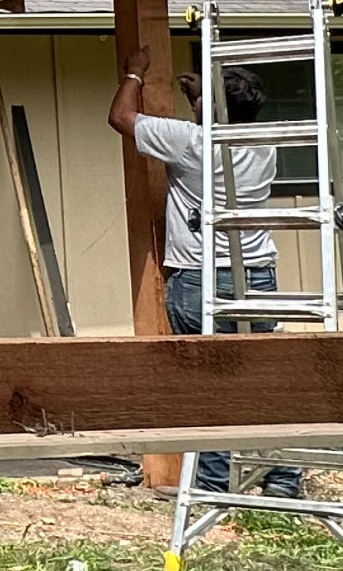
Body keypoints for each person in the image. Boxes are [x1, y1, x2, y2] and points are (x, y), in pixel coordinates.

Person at [107, 48, 301, 498]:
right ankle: (282, 478)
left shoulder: (189, 141)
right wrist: (206, 97)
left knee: (208, 382)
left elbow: (120, 117)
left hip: (200, 277)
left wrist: (135, 73)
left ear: (209, 110)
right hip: (257, 274)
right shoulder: (265, 142)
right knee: (261, 378)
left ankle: (214, 485)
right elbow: (222, 117)